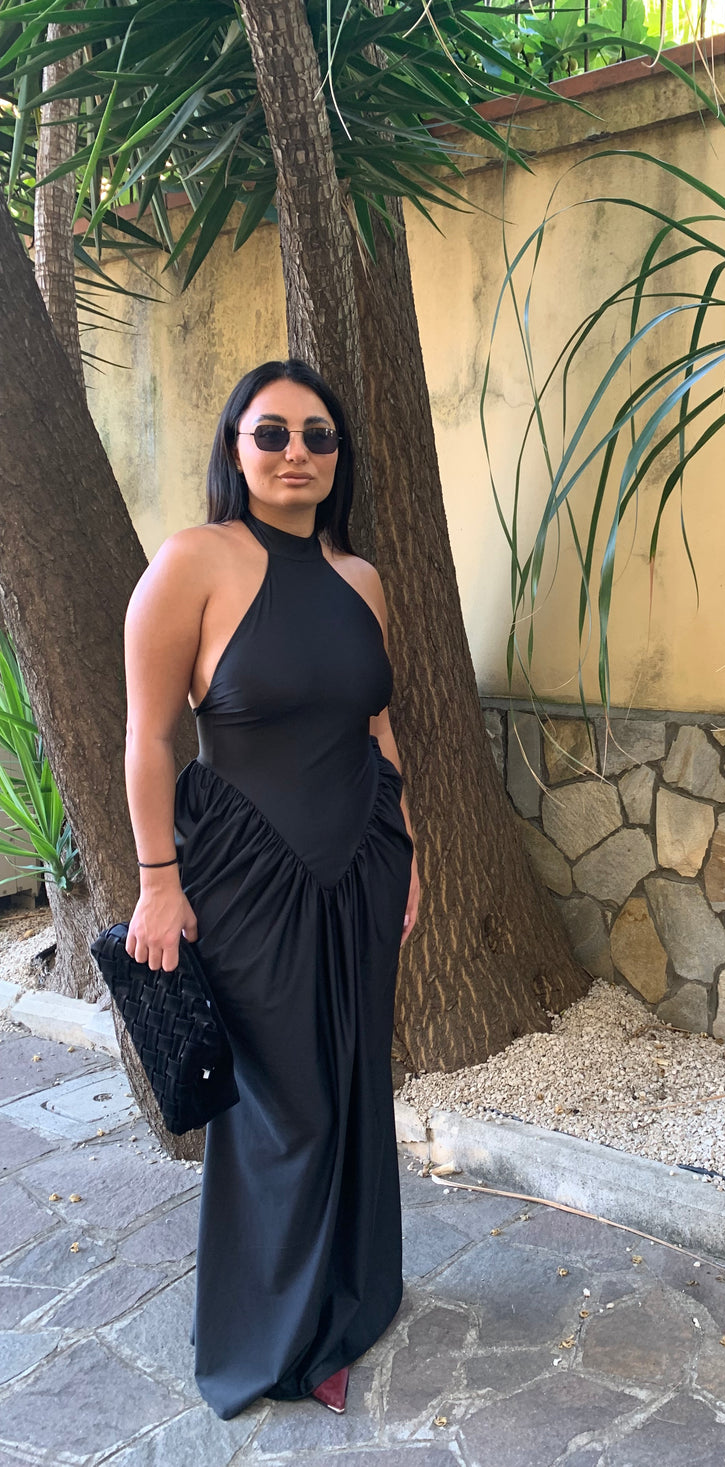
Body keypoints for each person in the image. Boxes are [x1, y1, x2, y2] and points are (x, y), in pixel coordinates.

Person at [122, 359, 419, 1420]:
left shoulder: (360, 578)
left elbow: (376, 725)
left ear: (339, 457)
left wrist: (411, 847)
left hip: (363, 865)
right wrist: (158, 883)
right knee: (284, 1106)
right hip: (246, 877)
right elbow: (149, 738)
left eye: (318, 435)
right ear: (236, 448)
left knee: (354, 1080)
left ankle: (349, 1297)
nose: (298, 452)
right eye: (273, 433)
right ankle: (269, 1338)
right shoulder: (193, 561)